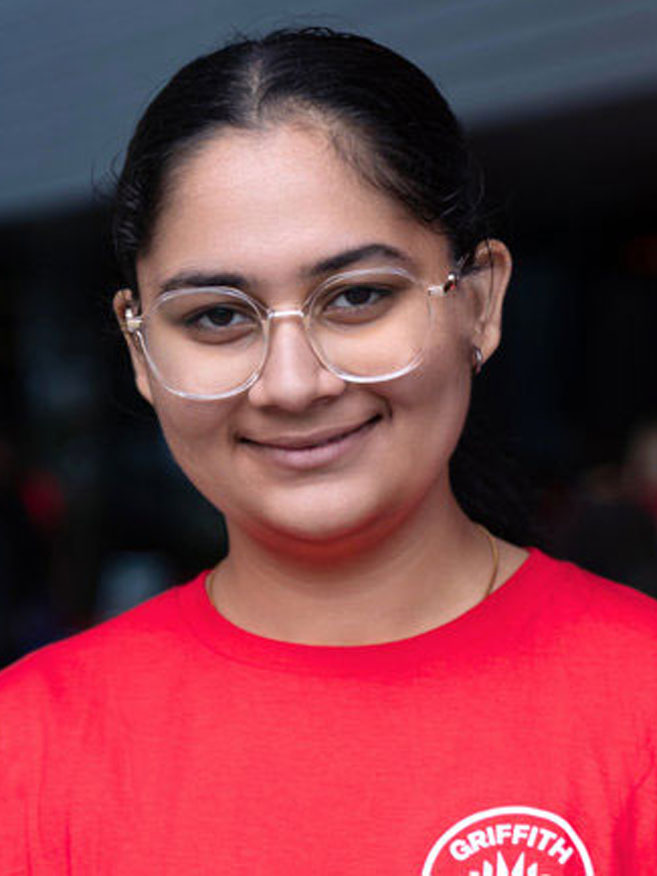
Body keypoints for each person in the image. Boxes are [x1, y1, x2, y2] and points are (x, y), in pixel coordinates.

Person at [1, 27, 656, 875]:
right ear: (140, 353)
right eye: (216, 315)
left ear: (480, 303)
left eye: (355, 297)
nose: (291, 384)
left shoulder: (638, 700)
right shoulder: (29, 749)